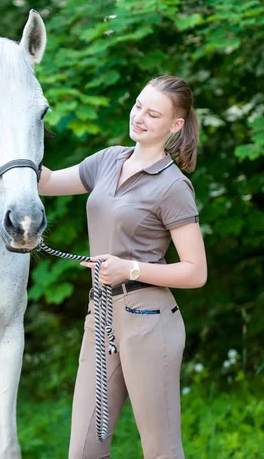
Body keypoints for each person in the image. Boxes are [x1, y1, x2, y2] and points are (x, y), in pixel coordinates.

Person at [38, 75, 207, 459]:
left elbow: (196, 272)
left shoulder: (173, 186)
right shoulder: (108, 159)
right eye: (137, 106)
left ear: (175, 125)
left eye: (153, 113)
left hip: (149, 319)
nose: (140, 117)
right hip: (99, 315)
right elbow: (45, 182)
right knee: (84, 450)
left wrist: (129, 269)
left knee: (161, 450)